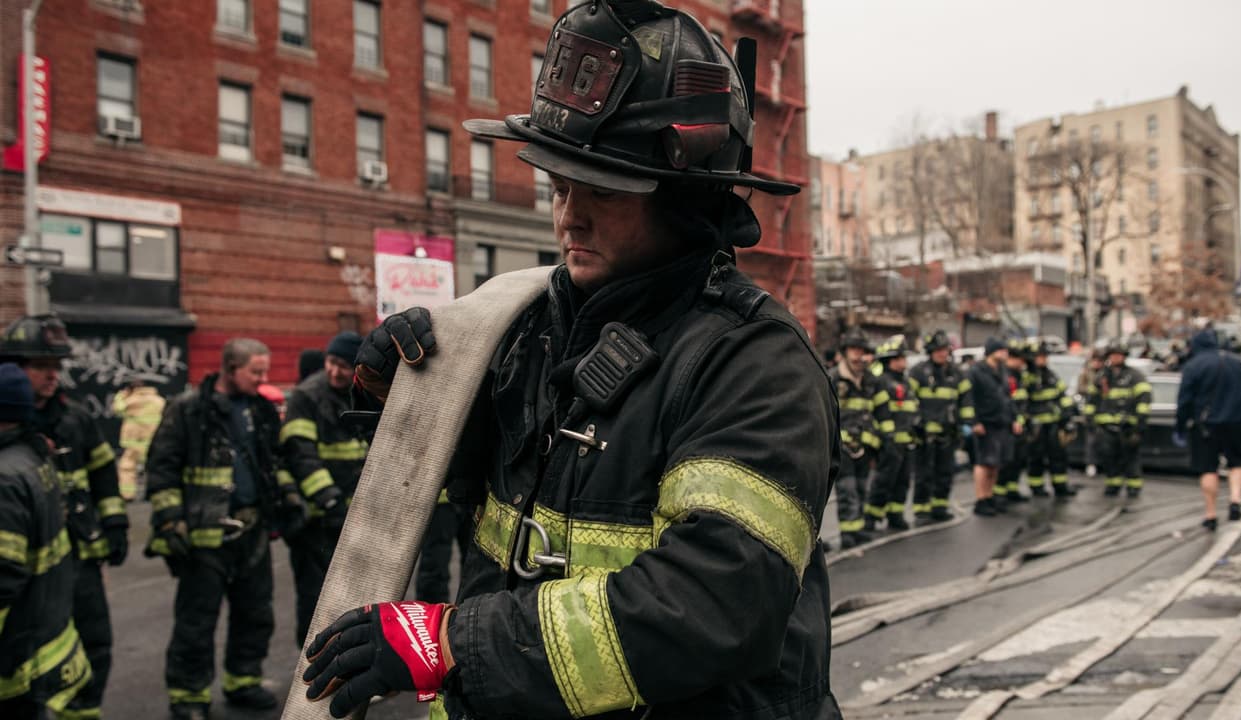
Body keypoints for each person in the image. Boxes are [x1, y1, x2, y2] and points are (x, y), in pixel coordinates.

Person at [302, 3, 841, 717]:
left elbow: (716, 602)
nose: (568, 217)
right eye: (559, 187)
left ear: (685, 201)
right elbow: (494, 500)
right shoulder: (525, 327)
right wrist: (413, 400)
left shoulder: (753, 364)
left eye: (602, 192)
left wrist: (457, 644)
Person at [144, 338, 306, 720]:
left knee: (255, 612)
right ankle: (188, 696)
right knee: (197, 620)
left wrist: (291, 498)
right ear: (229, 369)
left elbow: (273, 462)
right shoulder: (188, 410)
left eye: (265, 371)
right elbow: (162, 468)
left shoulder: (261, 410)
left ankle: (242, 681)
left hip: (252, 531)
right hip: (203, 536)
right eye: (256, 372)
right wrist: (170, 520)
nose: (263, 379)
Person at [0, 315, 127, 720]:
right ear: (14, 368)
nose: (53, 376)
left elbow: (104, 471)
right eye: (41, 367)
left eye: (57, 367)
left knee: (93, 643)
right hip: (29, 564)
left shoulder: (75, 418)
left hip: (80, 553)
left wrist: (115, 522)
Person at [0, 363, 93, 719]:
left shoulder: (6, 477)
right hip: (41, 640)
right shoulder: (32, 456)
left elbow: (4, 575)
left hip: (15, 657)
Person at [280, 332, 372, 647]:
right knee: (315, 596)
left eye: (344, 366)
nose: (335, 372)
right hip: (318, 519)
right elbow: (300, 454)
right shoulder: (307, 397)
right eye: (331, 362)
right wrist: (329, 500)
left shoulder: (362, 393)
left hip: (353, 515)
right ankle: (311, 664)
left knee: (357, 594)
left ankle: (347, 661)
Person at [1177, 328, 1241, 530]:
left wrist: (1181, 427)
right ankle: (1236, 499)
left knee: (1208, 468)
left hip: (1206, 425)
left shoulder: (1194, 366)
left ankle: (1211, 513)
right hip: (1238, 422)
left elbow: (1184, 400)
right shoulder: (1238, 363)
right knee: (1238, 462)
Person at [908, 330, 971, 522]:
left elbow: (966, 401)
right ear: (930, 351)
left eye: (945, 350)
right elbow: (910, 401)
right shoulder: (918, 372)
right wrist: (915, 424)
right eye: (938, 350)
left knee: (945, 472)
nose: (942, 354)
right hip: (924, 434)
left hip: (948, 433)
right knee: (924, 474)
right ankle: (921, 510)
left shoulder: (957, 373)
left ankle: (940, 507)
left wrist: (966, 423)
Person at [828, 330, 880, 547]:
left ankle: (857, 529)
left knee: (861, 487)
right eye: (854, 350)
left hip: (865, 444)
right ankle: (847, 533)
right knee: (847, 489)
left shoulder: (869, 379)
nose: (859, 356)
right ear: (845, 352)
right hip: (842, 446)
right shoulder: (833, 378)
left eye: (862, 351)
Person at [863, 335, 918, 531]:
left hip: (906, 442)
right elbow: (879, 412)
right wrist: (886, 438)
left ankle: (895, 514)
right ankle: (872, 516)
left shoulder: (906, 382)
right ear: (890, 360)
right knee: (883, 481)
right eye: (900, 358)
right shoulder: (882, 382)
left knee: (902, 481)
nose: (904, 362)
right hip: (889, 442)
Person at [1085, 341, 1151, 498]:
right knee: (1109, 457)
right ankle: (1113, 485)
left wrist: (1139, 425)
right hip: (1106, 428)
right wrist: (1090, 421)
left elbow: (1144, 399)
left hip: (1128, 428)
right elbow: (1091, 400)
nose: (1115, 358)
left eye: (1118, 355)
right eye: (1112, 355)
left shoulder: (1135, 376)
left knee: (1130, 457)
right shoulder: (1102, 377)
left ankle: (1133, 486)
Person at [967, 336, 1019, 517]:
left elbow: (1008, 397)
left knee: (995, 463)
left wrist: (1014, 419)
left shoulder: (1003, 371)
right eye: (1001, 350)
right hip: (985, 424)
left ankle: (990, 496)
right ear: (991, 352)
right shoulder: (976, 371)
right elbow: (969, 398)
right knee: (984, 463)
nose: (1005, 353)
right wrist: (974, 422)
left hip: (1002, 422)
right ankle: (981, 499)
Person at [1025, 341, 1078, 498]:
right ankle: (1037, 487)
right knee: (1036, 458)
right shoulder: (1027, 377)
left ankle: (1060, 486)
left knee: (1058, 456)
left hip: (1053, 425)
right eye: (1040, 357)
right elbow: (1022, 401)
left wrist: (1067, 416)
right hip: (1036, 426)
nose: (1043, 360)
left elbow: (1063, 396)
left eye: (1044, 357)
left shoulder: (1050, 374)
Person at [112, 375, 167, 501]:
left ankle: (127, 495)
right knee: (154, 467)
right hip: (154, 440)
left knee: (127, 466)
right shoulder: (158, 400)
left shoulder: (131, 401)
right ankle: (154, 493)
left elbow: (117, 409)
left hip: (135, 442)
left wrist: (122, 395)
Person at [995, 340, 1032, 508]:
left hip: (1019, 424)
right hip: (1008, 426)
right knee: (1005, 461)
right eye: (1021, 360)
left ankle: (1012, 489)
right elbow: (1006, 402)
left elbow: (1022, 401)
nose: (1023, 364)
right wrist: (1012, 420)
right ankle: (999, 494)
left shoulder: (1019, 375)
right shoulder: (1004, 375)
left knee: (1018, 459)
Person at [1077, 348, 1105, 476]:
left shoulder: (1106, 373)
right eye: (1095, 361)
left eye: (1100, 361)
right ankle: (1091, 464)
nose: (1097, 364)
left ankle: (1103, 463)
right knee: (1091, 439)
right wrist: (1092, 388)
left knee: (1105, 439)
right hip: (1090, 412)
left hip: (1104, 410)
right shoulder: (1086, 373)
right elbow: (1080, 388)